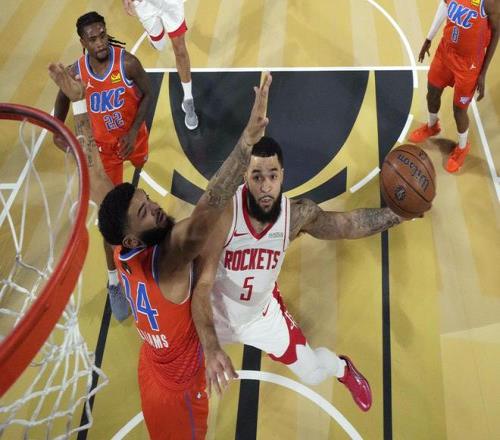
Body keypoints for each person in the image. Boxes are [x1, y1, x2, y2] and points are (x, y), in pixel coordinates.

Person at [48, 62, 272, 439]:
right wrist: (247, 142)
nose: (153, 207)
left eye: (146, 199)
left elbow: (93, 169)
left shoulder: (121, 238)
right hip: (179, 389)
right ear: (133, 239)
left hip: (151, 363)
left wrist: (81, 104)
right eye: (143, 212)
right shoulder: (167, 260)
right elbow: (210, 204)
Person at [191, 137, 413, 411]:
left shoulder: (294, 216)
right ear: (245, 177)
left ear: (282, 176)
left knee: (314, 374)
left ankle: (343, 369)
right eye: (257, 176)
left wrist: (397, 216)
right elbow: (201, 286)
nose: (265, 185)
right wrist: (211, 346)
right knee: (177, 368)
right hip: (214, 315)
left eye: (272, 176)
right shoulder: (225, 215)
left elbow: (346, 224)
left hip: (262, 316)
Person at [53, 11, 152, 321]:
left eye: (102, 35)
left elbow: (148, 92)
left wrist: (133, 131)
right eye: (92, 39)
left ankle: (137, 180)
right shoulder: (76, 73)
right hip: (103, 152)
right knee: (110, 218)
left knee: (141, 165)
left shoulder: (128, 63)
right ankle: (114, 283)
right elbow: (62, 99)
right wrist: (58, 128)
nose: (100, 43)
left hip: (132, 138)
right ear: (82, 42)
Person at [408, 0, 499, 173]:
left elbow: (496, 32)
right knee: (432, 92)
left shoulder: (490, 2)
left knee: (459, 110)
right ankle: (432, 126)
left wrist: (483, 72)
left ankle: (462, 147)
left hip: (469, 65)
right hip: (445, 52)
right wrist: (429, 38)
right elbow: (445, 5)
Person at [122, 0, 198, 130]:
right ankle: (153, 36)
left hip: (170, 3)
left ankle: (188, 99)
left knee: (180, 49)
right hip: (145, 5)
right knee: (159, 45)